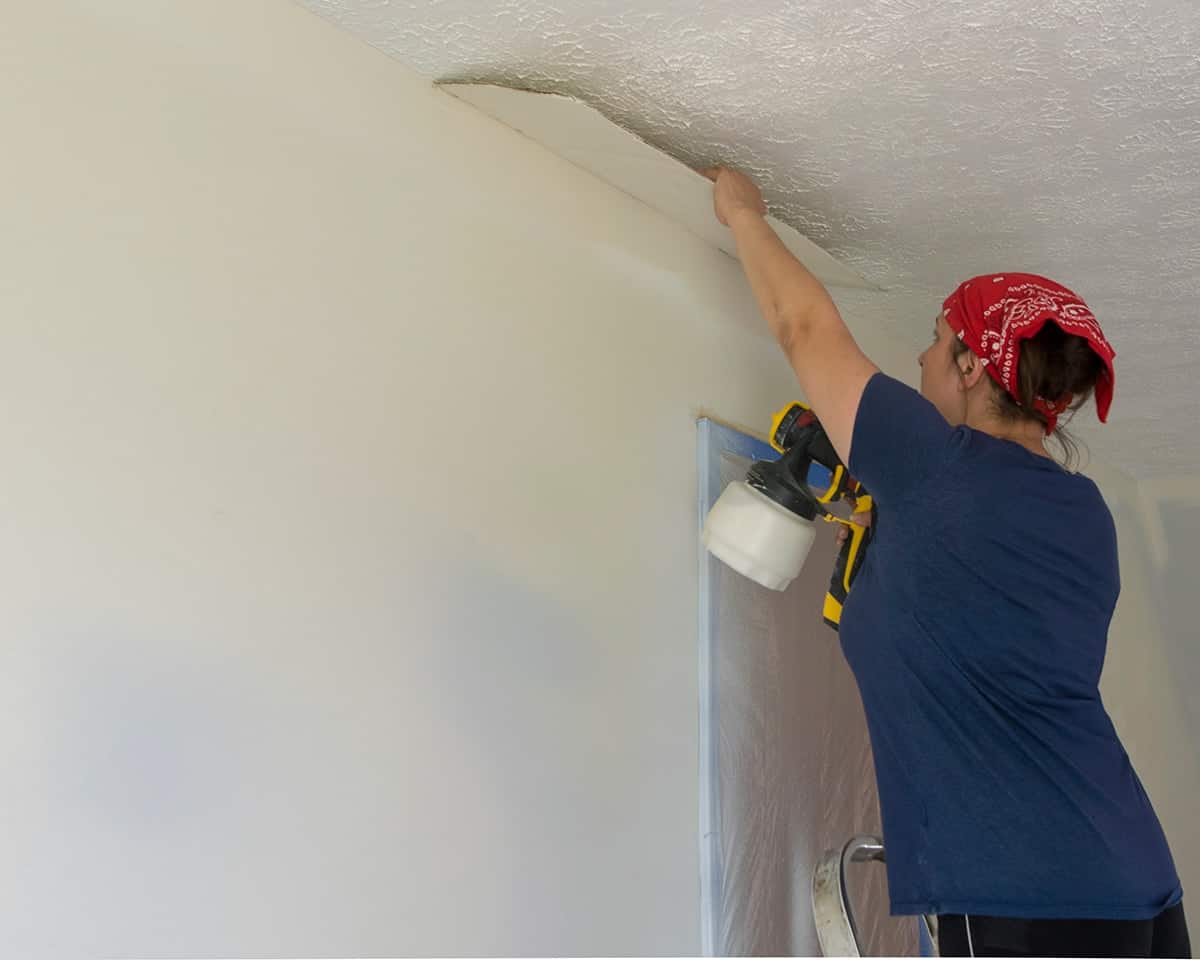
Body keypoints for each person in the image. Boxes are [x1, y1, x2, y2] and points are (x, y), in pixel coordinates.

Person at [702, 166, 1190, 958]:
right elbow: (973, 617)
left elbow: (806, 330)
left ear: (971, 367)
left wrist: (744, 214)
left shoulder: (936, 467)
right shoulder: (1082, 514)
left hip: (1022, 892)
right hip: (1135, 880)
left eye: (936, 339)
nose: (922, 359)